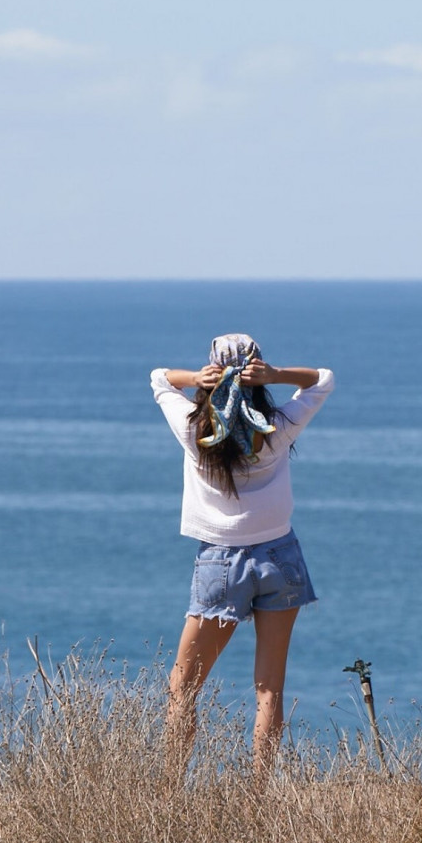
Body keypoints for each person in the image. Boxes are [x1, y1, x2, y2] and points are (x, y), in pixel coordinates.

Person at [150, 333, 334, 783]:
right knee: (269, 689)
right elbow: (323, 380)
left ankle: (168, 793)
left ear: (211, 375)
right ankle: (256, 799)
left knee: (182, 690)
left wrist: (195, 378)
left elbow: (158, 379)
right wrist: (277, 375)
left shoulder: (195, 432)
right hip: (281, 558)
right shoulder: (280, 426)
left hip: (220, 564)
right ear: (257, 373)